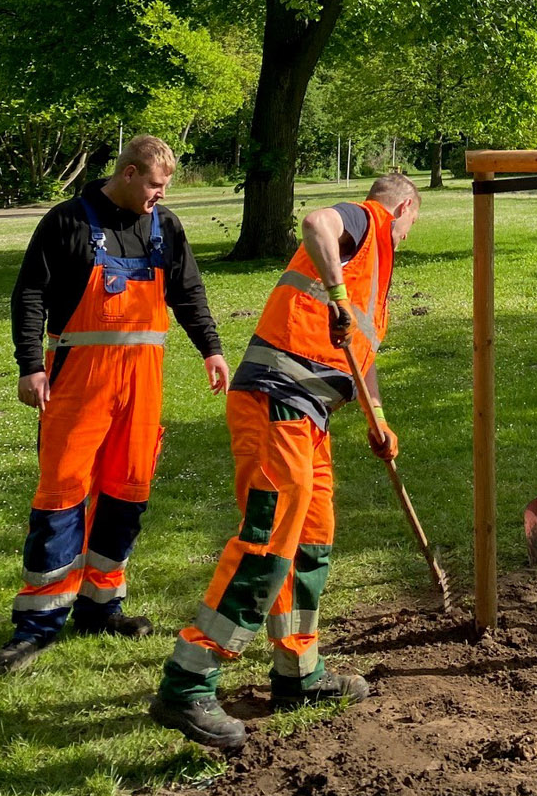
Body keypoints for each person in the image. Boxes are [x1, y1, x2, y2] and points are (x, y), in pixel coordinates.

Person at [149, 173, 420, 749]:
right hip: (277, 401)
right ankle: (188, 682)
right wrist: (340, 296)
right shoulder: (367, 221)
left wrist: (378, 416)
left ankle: (298, 674)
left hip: (311, 417)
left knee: (312, 539)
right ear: (405, 207)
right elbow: (317, 222)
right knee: (269, 538)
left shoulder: (376, 273)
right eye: (414, 220)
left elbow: (357, 354)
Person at [0, 135, 230, 676]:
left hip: (142, 385)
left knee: (127, 490)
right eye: (153, 185)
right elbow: (29, 293)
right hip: (78, 381)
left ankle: (101, 606)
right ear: (126, 173)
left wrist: (211, 349)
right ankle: (38, 624)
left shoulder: (165, 227)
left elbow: (188, 292)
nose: (158, 197)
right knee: (61, 496)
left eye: (163, 188)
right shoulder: (66, 221)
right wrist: (31, 364)